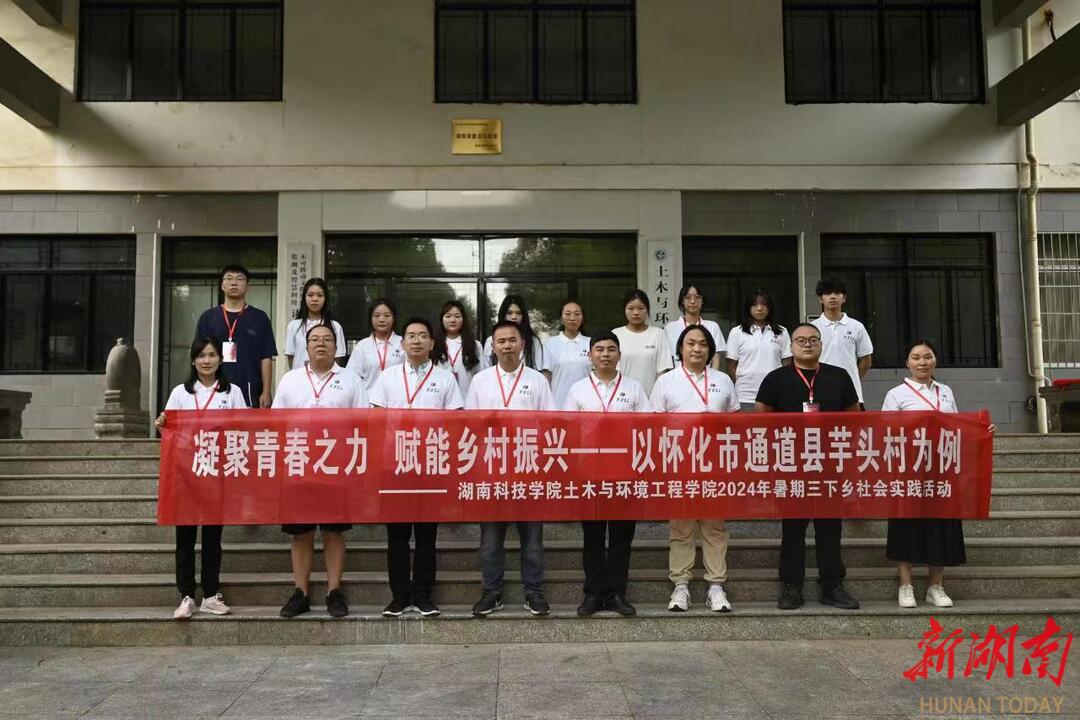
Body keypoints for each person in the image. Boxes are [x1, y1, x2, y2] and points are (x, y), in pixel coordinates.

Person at [756, 322, 861, 611]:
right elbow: (761, 419)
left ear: (821, 344)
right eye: (800, 340)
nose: (807, 344)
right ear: (790, 346)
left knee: (830, 526)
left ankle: (832, 585)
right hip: (791, 465)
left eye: (813, 339)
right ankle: (792, 586)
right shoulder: (776, 379)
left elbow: (854, 418)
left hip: (829, 465)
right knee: (793, 528)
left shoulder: (839, 376)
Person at [883, 340, 996, 609]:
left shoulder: (945, 391)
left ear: (935, 360)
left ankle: (936, 586)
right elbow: (885, 431)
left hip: (943, 470)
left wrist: (981, 430)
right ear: (907, 363)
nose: (922, 362)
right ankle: (906, 585)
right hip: (909, 470)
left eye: (927, 356)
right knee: (905, 525)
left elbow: (956, 427)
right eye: (915, 357)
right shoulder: (896, 394)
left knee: (941, 525)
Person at [273, 324, 369, 619]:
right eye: (314, 339)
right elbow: (276, 423)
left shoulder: (351, 379)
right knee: (301, 533)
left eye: (327, 339)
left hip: (337, 466)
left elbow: (363, 422)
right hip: (299, 463)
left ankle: (334, 591)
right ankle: (300, 592)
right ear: (306, 346)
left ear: (336, 346)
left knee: (333, 531)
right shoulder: (290, 380)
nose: (321, 344)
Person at [370, 317, 464, 618]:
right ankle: (399, 596)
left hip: (431, 465)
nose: (416, 340)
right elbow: (376, 420)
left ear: (432, 343)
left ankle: (423, 595)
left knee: (426, 535)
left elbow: (455, 422)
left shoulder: (446, 379)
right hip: (395, 464)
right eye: (411, 335)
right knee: (397, 535)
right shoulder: (387, 377)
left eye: (423, 335)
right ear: (402, 343)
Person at [465, 320, 556, 617]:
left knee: (532, 538)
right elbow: (470, 425)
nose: (506, 346)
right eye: (501, 341)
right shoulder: (481, 381)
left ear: (522, 344)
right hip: (491, 468)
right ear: (492, 347)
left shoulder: (537, 380)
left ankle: (534, 591)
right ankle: (492, 592)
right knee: (491, 539)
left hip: (528, 467)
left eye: (511, 340)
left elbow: (549, 423)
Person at [156, 336, 248, 620]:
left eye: (211, 355)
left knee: (212, 538)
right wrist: (162, 425)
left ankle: (210, 595)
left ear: (220, 359)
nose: (206, 360)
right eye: (201, 355)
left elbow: (244, 427)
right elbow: (169, 429)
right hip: (185, 473)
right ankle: (186, 596)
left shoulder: (231, 392)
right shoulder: (180, 393)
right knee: (184, 538)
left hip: (217, 474)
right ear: (193, 360)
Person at [650, 325, 739, 613]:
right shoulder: (666, 382)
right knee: (681, 526)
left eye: (702, 344)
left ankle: (716, 586)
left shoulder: (723, 380)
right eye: (691, 343)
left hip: (715, 463)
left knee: (715, 526)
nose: (697, 349)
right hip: (680, 463)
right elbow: (655, 426)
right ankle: (681, 585)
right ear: (680, 349)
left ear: (710, 349)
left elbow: (735, 423)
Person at [563, 331, 649, 616]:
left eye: (611, 349)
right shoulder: (577, 390)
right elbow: (569, 431)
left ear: (619, 355)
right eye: (599, 349)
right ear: (590, 355)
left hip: (625, 472)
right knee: (593, 537)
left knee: (622, 537)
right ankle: (593, 593)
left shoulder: (634, 388)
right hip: (590, 473)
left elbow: (646, 427)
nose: (605, 354)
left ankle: (616, 593)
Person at [193, 264, 277, 408]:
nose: (234, 282)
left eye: (240, 279)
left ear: (247, 286)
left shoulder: (259, 318)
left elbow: (266, 357)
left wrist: (266, 391)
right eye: (229, 278)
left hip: (250, 388)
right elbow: (198, 355)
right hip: (214, 387)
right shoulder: (208, 317)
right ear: (222, 285)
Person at [726, 288, 792, 411]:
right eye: (755, 305)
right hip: (744, 395)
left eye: (764, 304)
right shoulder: (736, 332)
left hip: (774, 393)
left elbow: (787, 363)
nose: (760, 308)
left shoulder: (782, 332)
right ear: (748, 307)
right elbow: (731, 364)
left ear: (770, 307)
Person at [812, 279, 874, 407]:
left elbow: (866, 359)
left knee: (853, 421)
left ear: (844, 298)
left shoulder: (856, 326)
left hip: (852, 393)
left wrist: (851, 379)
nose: (833, 297)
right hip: (820, 390)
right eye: (828, 293)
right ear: (820, 299)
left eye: (837, 293)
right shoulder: (812, 328)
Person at [613, 289, 674, 396]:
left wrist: (656, 397)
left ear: (647, 310)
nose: (636, 312)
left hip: (651, 397)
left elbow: (663, 370)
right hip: (621, 397)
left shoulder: (658, 334)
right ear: (624, 310)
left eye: (641, 308)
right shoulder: (616, 334)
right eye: (631, 308)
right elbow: (612, 371)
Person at [284, 278, 346, 370]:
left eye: (320, 295)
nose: (315, 299)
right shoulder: (293, 326)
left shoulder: (335, 327)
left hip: (326, 377)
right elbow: (291, 358)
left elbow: (337, 358)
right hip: (300, 377)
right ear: (304, 298)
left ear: (325, 298)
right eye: (310, 295)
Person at [346, 298, 405, 390]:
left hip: (396, 397)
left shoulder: (403, 343)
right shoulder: (362, 346)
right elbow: (351, 377)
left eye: (387, 315)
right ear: (370, 319)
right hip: (368, 397)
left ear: (394, 318)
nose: (382, 320)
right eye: (376, 316)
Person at [542, 300, 591, 407]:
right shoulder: (551, 344)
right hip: (558, 404)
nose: (572, 318)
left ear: (582, 318)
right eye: (567, 314)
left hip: (586, 405)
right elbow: (546, 377)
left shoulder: (591, 343)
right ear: (561, 318)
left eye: (577, 314)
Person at [663, 284, 724, 369]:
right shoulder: (670, 328)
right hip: (678, 376)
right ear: (682, 301)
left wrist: (712, 376)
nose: (692, 301)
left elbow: (715, 359)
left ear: (702, 301)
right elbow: (666, 359)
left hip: (706, 375)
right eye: (688, 297)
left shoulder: (712, 327)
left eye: (697, 297)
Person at [432, 299, 487, 395]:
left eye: (457, 316)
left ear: (463, 319)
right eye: (448, 316)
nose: (452, 320)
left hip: (467, 398)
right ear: (442, 319)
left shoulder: (475, 345)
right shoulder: (433, 344)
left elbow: (481, 375)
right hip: (439, 398)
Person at [482, 294, 544, 371]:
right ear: (503, 315)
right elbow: (487, 369)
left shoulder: (533, 341)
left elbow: (538, 370)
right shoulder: (491, 340)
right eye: (509, 313)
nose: (514, 317)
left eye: (518, 313)